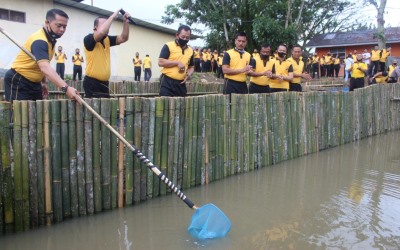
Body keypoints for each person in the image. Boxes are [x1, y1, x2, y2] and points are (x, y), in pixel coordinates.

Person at [4, 8, 79, 101]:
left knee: (35, 113)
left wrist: (43, 83)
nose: (62, 29)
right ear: (47, 22)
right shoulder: (40, 41)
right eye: (59, 25)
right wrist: (66, 88)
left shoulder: (50, 40)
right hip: (19, 80)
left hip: (35, 83)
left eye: (64, 26)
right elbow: (45, 67)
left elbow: (40, 64)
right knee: (19, 114)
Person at [83, 9, 130, 98]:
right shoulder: (88, 39)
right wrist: (112, 17)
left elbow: (124, 38)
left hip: (104, 83)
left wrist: (125, 22)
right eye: (104, 25)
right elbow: (101, 32)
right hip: (92, 83)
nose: (107, 27)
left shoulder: (107, 40)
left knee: (105, 109)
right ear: (95, 28)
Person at [158, 25, 194, 97]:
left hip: (181, 84)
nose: (185, 39)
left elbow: (191, 67)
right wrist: (177, 63)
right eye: (183, 37)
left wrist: (188, 74)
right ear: (177, 35)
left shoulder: (191, 50)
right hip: (167, 82)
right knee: (165, 104)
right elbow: (160, 62)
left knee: (181, 106)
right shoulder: (168, 46)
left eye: (187, 37)